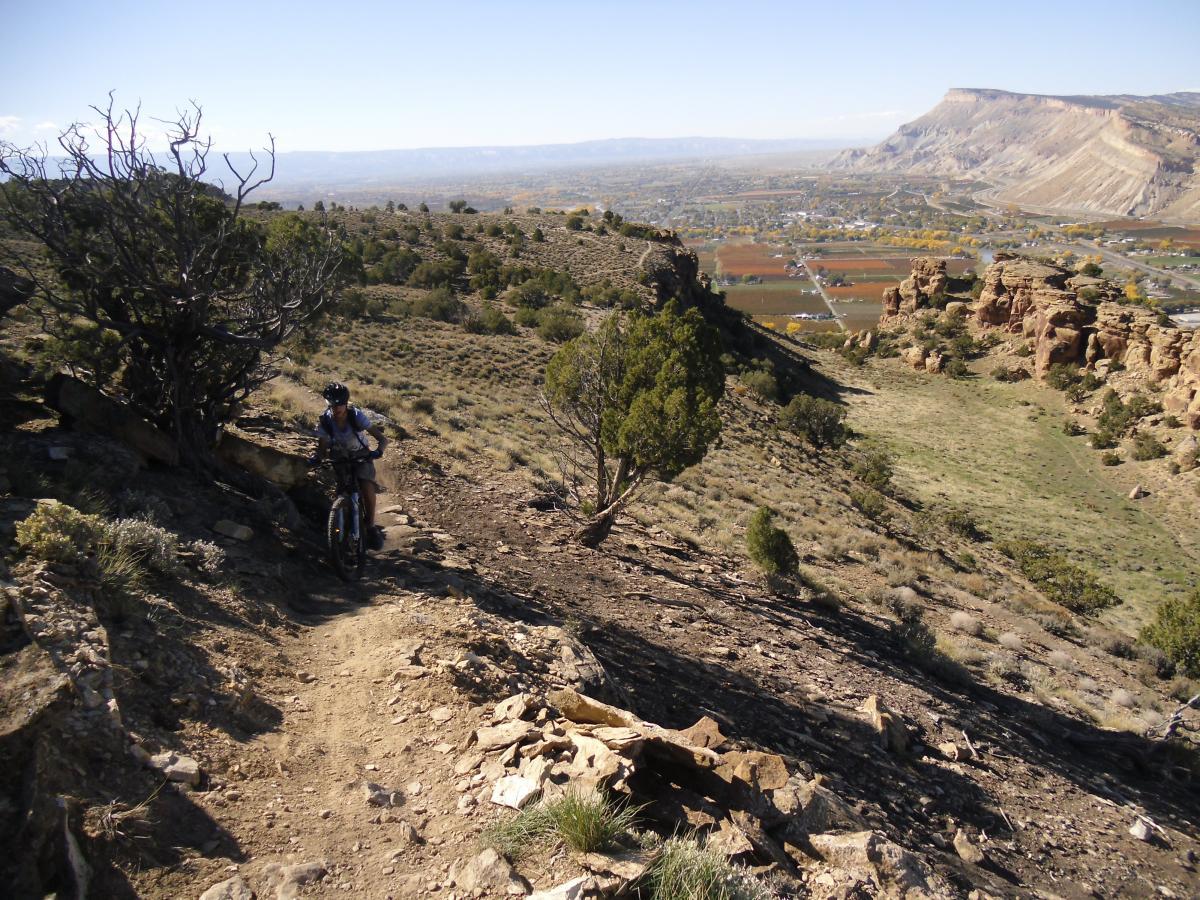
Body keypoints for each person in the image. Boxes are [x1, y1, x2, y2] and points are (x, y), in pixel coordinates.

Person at [308, 382, 389, 550]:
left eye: (340, 404)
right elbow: (322, 448)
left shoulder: (356, 416)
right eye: (333, 404)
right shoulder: (325, 421)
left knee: (366, 484)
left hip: (361, 454)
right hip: (339, 456)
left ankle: (371, 527)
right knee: (341, 490)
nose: (337, 408)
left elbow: (382, 438)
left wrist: (378, 451)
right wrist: (317, 458)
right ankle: (339, 526)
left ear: (346, 403)